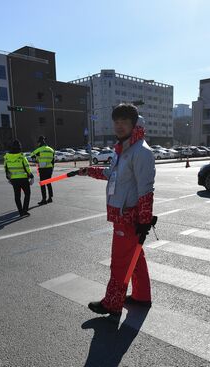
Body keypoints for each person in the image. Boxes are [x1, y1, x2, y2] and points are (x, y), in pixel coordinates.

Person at [78, 103, 155, 316]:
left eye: (125, 122)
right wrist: (89, 171)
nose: (119, 126)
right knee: (135, 258)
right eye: (117, 122)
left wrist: (144, 220)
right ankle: (141, 296)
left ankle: (112, 304)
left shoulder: (140, 151)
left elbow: (146, 189)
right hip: (123, 214)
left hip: (129, 216)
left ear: (134, 124)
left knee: (120, 263)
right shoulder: (123, 149)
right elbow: (110, 174)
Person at [4, 140, 34, 217]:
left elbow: (6, 168)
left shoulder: (7, 157)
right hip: (23, 179)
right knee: (27, 194)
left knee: (17, 196)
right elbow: (27, 168)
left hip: (14, 179)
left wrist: (8, 178)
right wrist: (31, 176)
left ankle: (20, 212)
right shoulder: (21, 156)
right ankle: (25, 209)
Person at [31, 136, 55, 205]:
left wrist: (36, 159)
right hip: (50, 168)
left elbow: (31, 155)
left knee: (42, 184)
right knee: (48, 183)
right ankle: (50, 198)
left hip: (42, 169)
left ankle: (44, 199)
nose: (37, 144)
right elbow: (53, 161)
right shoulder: (51, 149)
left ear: (40, 142)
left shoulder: (39, 149)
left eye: (38, 143)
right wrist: (52, 168)